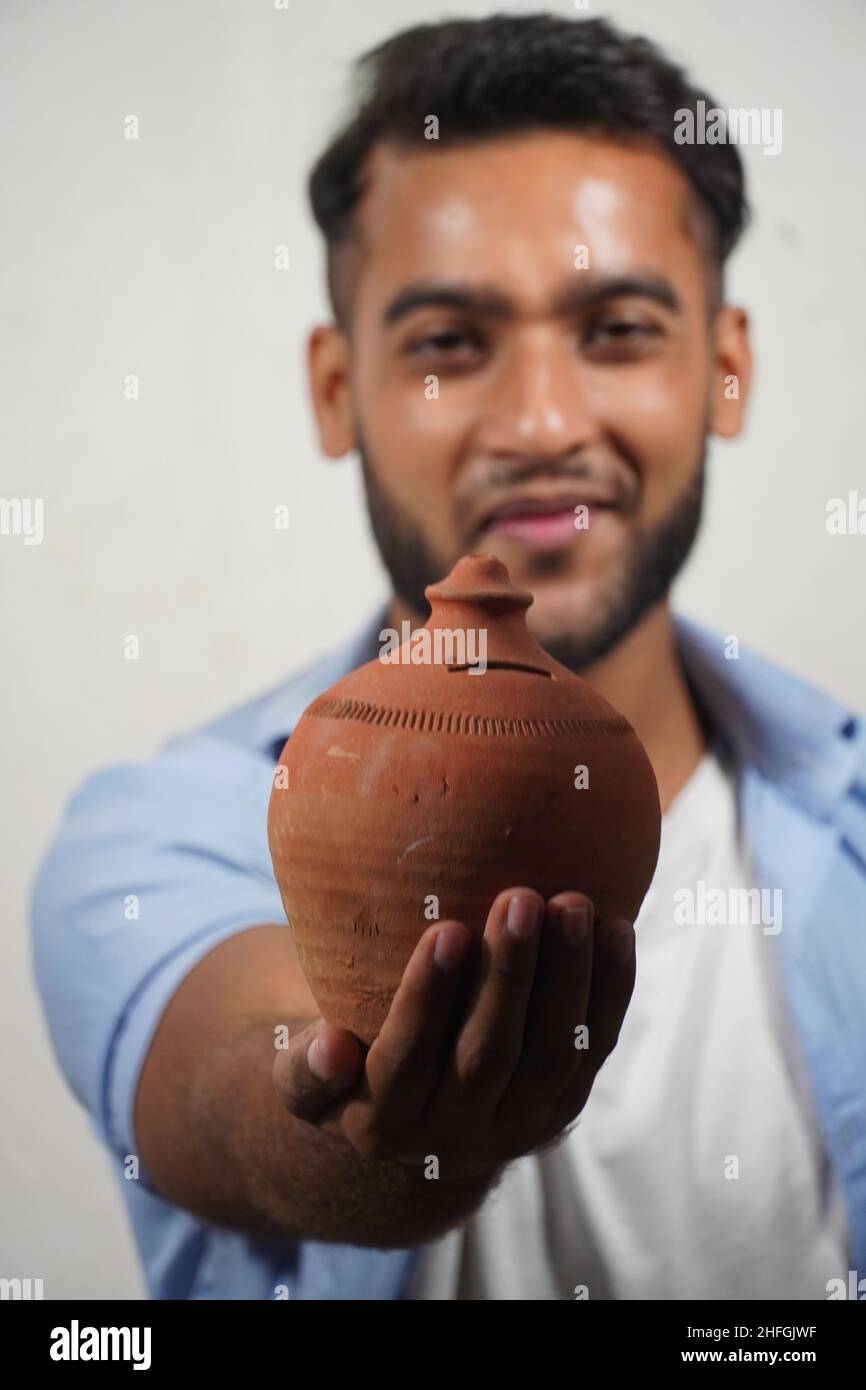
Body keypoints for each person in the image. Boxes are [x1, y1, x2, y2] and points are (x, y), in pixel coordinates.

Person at [31, 13, 866, 1301]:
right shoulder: (153, 840)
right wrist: (351, 1111)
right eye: (447, 344)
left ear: (728, 368)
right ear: (335, 388)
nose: (539, 423)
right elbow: (237, 1098)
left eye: (621, 327)